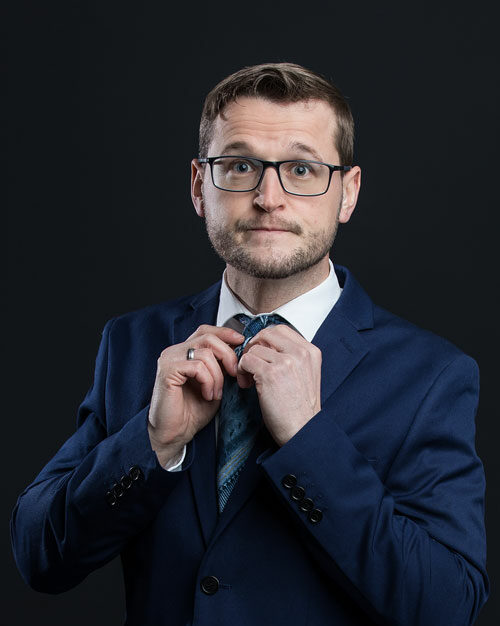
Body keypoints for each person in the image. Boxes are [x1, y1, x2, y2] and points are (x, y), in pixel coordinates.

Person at [11, 63, 488, 625]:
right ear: (199, 186)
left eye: (302, 169)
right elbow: (39, 556)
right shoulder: (134, 343)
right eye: (240, 166)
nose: (268, 198)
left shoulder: (432, 375)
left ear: (348, 192)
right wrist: (152, 443)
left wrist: (309, 441)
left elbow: (447, 606)